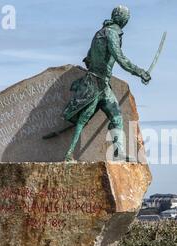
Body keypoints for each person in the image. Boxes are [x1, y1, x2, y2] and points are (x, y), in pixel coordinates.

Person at [63, 5, 151, 162]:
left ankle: (118, 151)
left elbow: (88, 58)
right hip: (96, 83)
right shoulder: (111, 33)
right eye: (126, 18)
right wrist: (140, 72)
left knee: (116, 116)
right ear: (123, 20)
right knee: (84, 118)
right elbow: (120, 58)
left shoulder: (100, 33)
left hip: (102, 84)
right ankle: (68, 154)